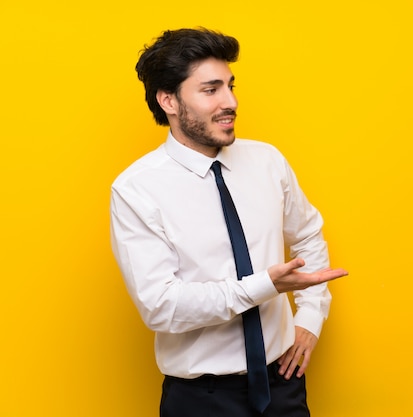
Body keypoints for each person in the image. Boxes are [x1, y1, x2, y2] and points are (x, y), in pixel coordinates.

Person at [110, 27, 347, 417]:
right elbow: (161, 306)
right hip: (201, 400)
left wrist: (309, 317)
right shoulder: (137, 190)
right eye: (211, 90)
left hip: (283, 386)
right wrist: (263, 286)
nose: (231, 102)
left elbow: (307, 234)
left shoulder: (268, 161)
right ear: (168, 100)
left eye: (231, 86)